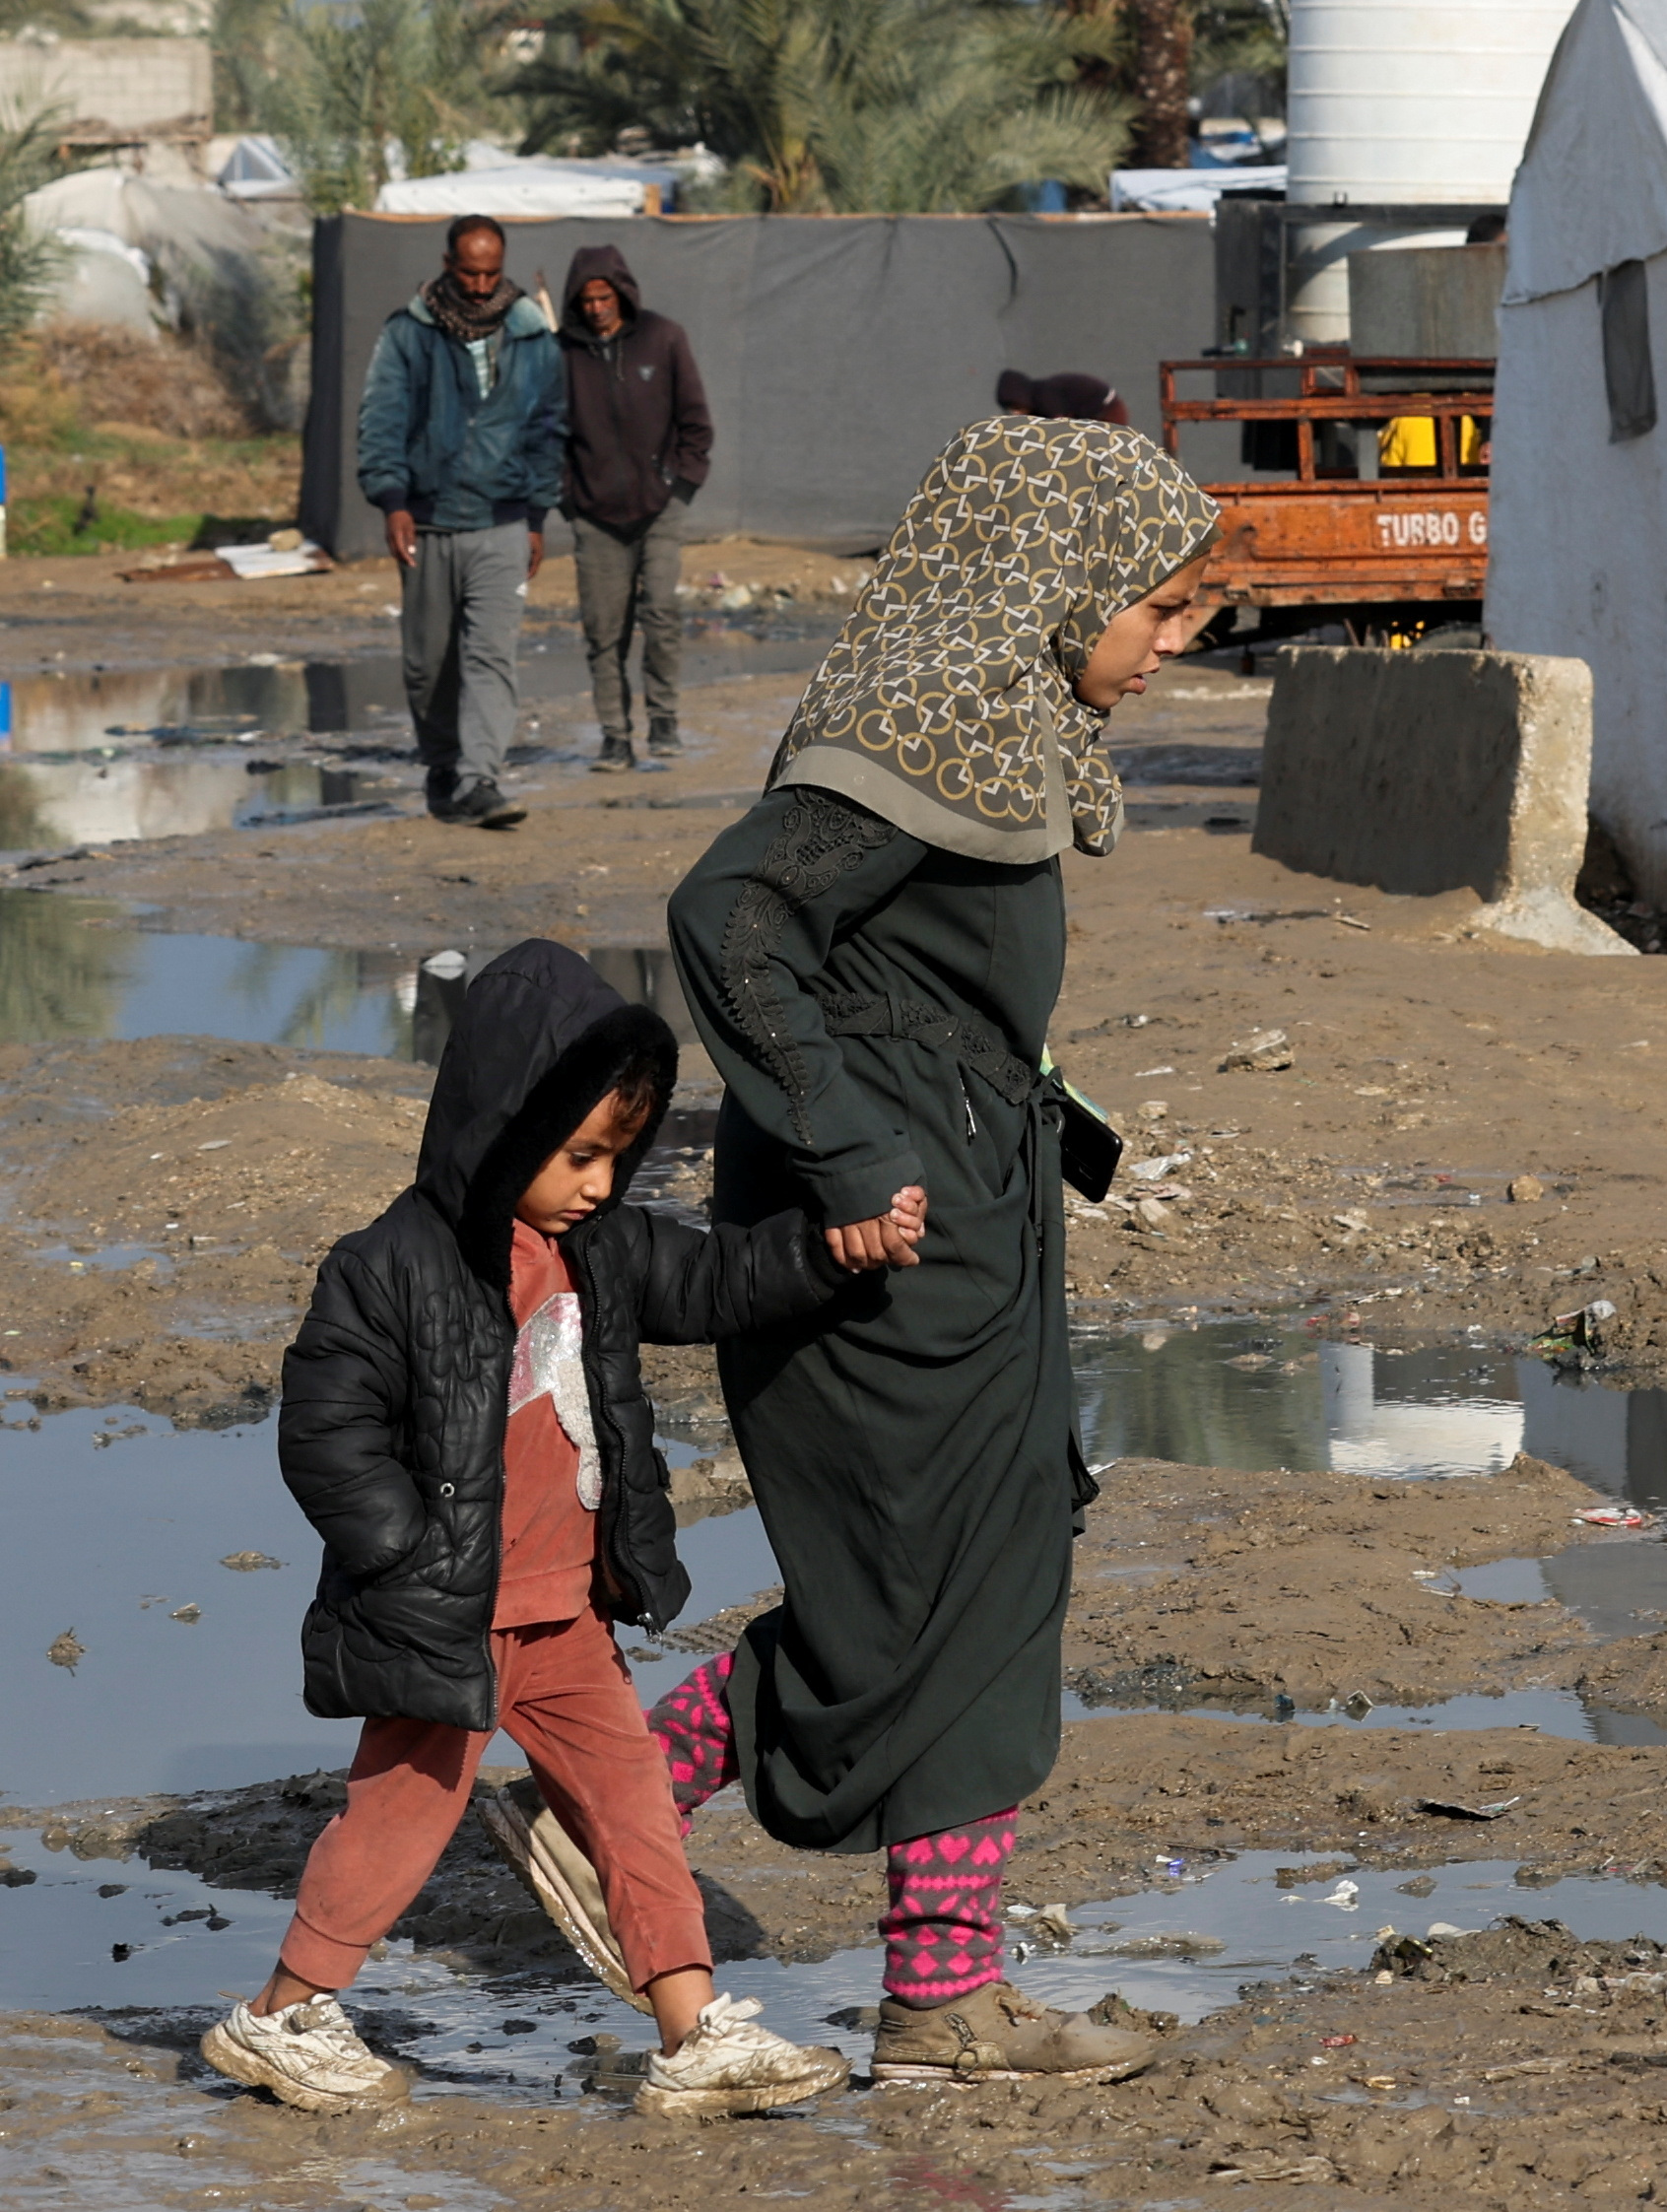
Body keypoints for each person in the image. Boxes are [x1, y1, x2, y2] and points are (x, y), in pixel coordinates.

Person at [503, 417, 1219, 2085]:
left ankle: (940, 1993)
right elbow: (729, 921)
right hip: (882, 1243)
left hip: (972, 1226)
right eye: (1161, 610)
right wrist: (846, 1144)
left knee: (988, 1574)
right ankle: (611, 1803)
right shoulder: (922, 727)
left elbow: (931, 992)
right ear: (1063, 583)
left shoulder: (996, 723)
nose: (1172, 647)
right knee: (908, 1602)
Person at [202, 938, 921, 2119]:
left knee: (631, 1804)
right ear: (500, 1126)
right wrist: (407, 1553)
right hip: (446, 1614)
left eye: (616, 1156)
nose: (599, 1181)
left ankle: (692, 2033)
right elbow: (324, 1431)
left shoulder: (603, 1251)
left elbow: (719, 1280)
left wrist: (829, 1251)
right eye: (578, 1153)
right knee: (398, 1818)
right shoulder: (389, 1268)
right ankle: (282, 2013)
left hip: (564, 1613)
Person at [357, 213, 564, 830]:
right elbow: (381, 419)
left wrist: (536, 516)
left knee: (491, 655)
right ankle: (444, 763)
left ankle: (481, 779)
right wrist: (393, 500)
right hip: (428, 522)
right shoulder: (407, 334)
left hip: (501, 522)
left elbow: (548, 431)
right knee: (428, 664)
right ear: (448, 265)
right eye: (469, 273)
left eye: (491, 273)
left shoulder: (531, 336)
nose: (480, 286)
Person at [561, 243, 713, 772]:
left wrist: (681, 485)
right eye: (586, 300)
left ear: (621, 293)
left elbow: (696, 422)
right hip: (595, 515)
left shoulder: (663, 339)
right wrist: (570, 499)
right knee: (604, 630)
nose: (596, 308)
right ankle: (614, 736)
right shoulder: (563, 354)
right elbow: (547, 434)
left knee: (662, 613)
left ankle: (664, 719)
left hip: (660, 508)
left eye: (604, 297)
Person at [995, 369, 1132, 426]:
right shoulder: (1042, 396)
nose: (1015, 413)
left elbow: (1059, 428)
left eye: (1017, 407)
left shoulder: (1045, 400)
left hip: (1107, 412)